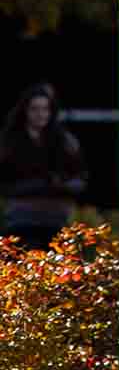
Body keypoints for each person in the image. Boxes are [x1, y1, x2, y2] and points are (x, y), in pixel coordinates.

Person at [0, 84, 88, 250]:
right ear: (25, 111)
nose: (40, 114)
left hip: (56, 218)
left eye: (44, 109)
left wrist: (60, 185)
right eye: (34, 109)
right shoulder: (10, 142)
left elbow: (79, 177)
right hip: (20, 218)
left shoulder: (64, 142)